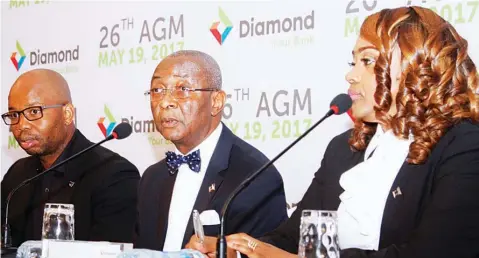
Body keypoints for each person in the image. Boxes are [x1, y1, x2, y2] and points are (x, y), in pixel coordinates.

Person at [186, 6, 479, 258]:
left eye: (367, 60)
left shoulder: (464, 145)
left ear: (419, 66)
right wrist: (237, 249)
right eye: (354, 62)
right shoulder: (344, 149)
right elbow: (291, 239)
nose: (351, 75)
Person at [134, 50, 288, 251]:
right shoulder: (151, 178)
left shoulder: (254, 176)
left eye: (182, 89)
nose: (165, 102)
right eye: (157, 90)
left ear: (216, 102)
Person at [1, 69, 140, 247]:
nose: (21, 126)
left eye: (34, 112)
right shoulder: (17, 175)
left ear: (67, 114)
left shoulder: (114, 175)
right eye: (14, 115)